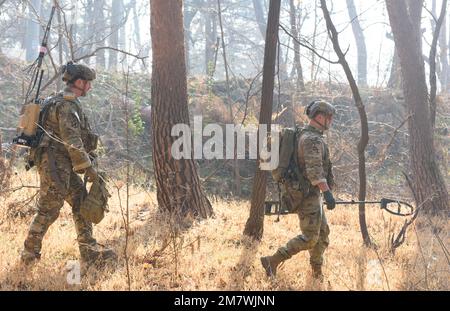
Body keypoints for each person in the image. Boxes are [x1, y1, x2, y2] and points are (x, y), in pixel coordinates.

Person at [20, 61, 117, 270]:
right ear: (79, 82)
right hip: (55, 163)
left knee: (81, 200)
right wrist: (88, 168)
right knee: (49, 207)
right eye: (88, 83)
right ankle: (29, 253)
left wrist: (86, 164)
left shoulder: (58, 101)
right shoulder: (66, 105)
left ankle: (88, 248)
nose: (90, 87)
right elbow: (71, 139)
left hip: (60, 162)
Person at [261, 100, 337, 281]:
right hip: (305, 195)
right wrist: (327, 193)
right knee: (311, 238)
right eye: (329, 117)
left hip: (310, 193)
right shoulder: (311, 139)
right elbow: (315, 172)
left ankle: (317, 273)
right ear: (320, 117)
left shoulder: (307, 135)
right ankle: (273, 260)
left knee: (323, 235)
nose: (331, 121)